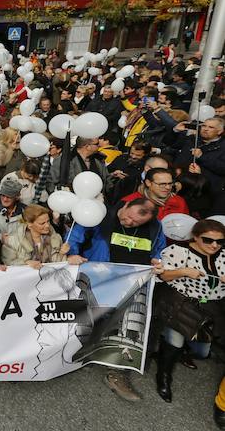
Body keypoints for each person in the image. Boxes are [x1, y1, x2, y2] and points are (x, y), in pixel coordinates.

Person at [64, 198, 166, 402]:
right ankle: (67, 359)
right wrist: (71, 256)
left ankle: (117, 373)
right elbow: (73, 239)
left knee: (126, 328)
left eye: (136, 223)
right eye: (128, 217)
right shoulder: (100, 216)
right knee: (84, 319)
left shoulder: (155, 227)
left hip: (132, 285)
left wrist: (158, 261)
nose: (129, 223)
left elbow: (158, 251)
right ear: (126, 206)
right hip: (97, 279)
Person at [153, 219, 225, 403]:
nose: (214, 245)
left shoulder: (224, 254)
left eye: (220, 241)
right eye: (208, 240)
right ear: (195, 236)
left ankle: (174, 351)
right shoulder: (179, 251)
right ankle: (164, 376)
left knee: (202, 352)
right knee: (174, 343)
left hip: (209, 308)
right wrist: (183, 271)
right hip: (181, 305)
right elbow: (162, 275)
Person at [1, 205, 67, 268]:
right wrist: (26, 262)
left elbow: (57, 264)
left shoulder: (55, 238)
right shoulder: (12, 240)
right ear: (29, 225)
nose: (47, 225)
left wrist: (61, 254)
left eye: (48, 221)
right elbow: (8, 262)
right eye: (42, 223)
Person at [121, 167, 189, 220]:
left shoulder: (179, 201)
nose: (168, 187)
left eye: (170, 184)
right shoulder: (130, 201)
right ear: (148, 183)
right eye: (162, 184)